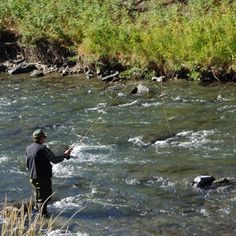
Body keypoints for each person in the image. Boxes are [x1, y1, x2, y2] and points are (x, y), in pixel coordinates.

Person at [26, 129, 71, 216]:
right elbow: (54, 160)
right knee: (45, 197)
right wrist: (65, 155)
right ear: (41, 138)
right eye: (44, 137)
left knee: (38, 196)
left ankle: (37, 213)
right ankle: (43, 217)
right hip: (42, 179)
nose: (45, 138)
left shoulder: (28, 148)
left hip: (32, 178)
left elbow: (28, 163)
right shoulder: (44, 149)